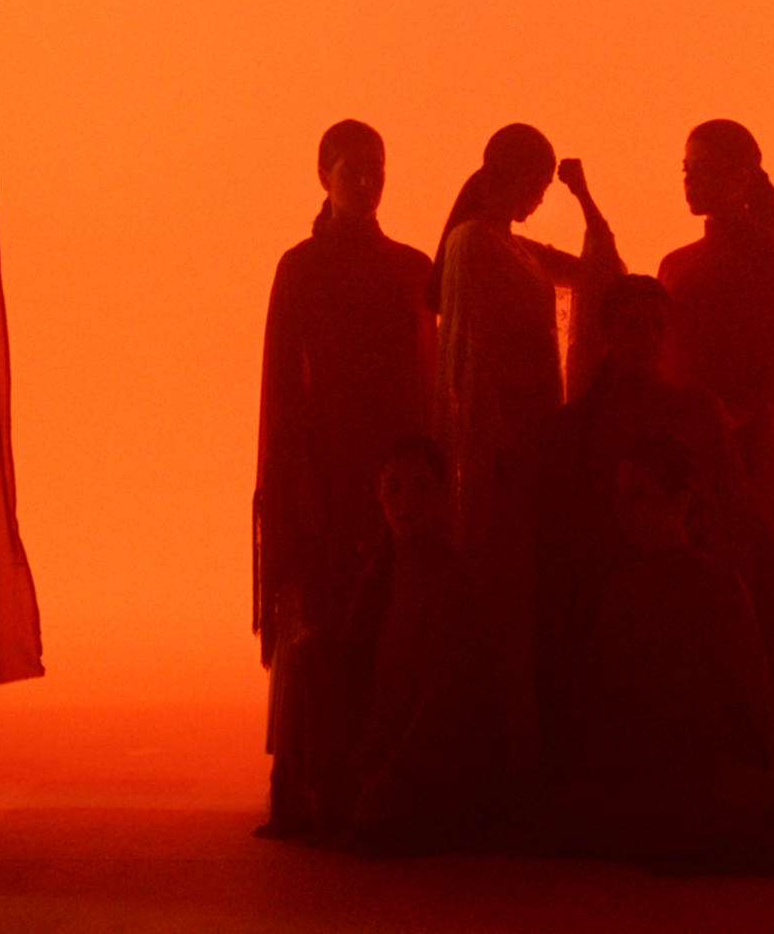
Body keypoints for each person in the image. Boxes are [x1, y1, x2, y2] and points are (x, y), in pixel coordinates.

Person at [531, 275, 774, 828]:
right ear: (607, 332)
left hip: (710, 577)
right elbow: (568, 534)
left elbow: (743, 506)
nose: (648, 339)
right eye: (634, 326)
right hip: (628, 590)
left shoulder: (696, 408)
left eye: (658, 327)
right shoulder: (577, 425)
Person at [538, 438, 774, 876]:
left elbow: (758, 698)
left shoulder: (717, 584)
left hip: (709, 779)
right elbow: (597, 706)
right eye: (620, 495)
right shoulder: (620, 589)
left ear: (681, 501)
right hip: (648, 784)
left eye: (638, 493)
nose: (624, 509)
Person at [253, 120, 437, 839]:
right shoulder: (300, 268)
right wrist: (296, 480)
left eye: (376, 169)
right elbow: (283, 388)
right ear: (323, 175)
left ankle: (379, 779)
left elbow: (430, 381)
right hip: (327, 472)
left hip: (399, 476)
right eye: (352, 168)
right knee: (327, 620)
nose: (366, 182)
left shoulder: (413, 268)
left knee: (392, 626)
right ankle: (316, 783)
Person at [428, 123, 625, 558]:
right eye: (542, 187)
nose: (540, 200)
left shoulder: (518, 247)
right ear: (524, 180)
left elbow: (602, 276)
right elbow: (471, 353)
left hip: (533, 430)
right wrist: (489, 443)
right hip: (499, 440)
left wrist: (584, 197)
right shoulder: (473, 241)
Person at [336, 435, 518, 855]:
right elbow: (352, 666)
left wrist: (391, 774)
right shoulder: (379, 573)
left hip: (434, 760)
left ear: (442, 495)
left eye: (420, 488)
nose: (406, 504)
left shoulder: (455, 581)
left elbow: (444, 703)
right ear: (379, 496)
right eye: (393, 489)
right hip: (382, 749)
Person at [658, 119, 774, 576]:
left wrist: (726, 427)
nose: (691, 180)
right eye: (687, 169)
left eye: (704, 168)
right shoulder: (673, 266)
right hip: (685, 465)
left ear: (743, 176)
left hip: (757, 463)